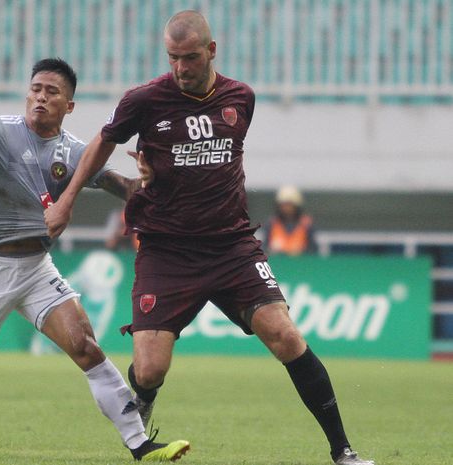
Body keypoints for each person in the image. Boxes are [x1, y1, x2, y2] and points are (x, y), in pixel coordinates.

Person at [44, 12, 374, 465]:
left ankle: (343, 451)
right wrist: (67, 202)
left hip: (231, 246)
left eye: (191, 58)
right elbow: (101, 142)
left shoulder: (242, 98)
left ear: (212, 51)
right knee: (151, 368)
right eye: (173, 58)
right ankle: (143, 397)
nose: (181, 67)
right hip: (167, 251)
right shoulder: (144, 100)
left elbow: (221, 161)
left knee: (285, 336)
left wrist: (168, 169)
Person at [0, 58, 189, 462]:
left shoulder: (76, 152)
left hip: (36, 269)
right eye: (36, 89)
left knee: (86, 347)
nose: (40, 97)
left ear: (70, 105)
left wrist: (149, 179)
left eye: (52, 92)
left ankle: (140, 445)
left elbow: (125, 188)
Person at [265, 185, 316, 255]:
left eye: (289, 205)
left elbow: (313, 250)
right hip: (277, 264)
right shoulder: (271, 224)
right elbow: (265, 248)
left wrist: (301, 252)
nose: (286, 208)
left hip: (301, 263)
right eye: (284, 205)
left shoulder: (307, 224)